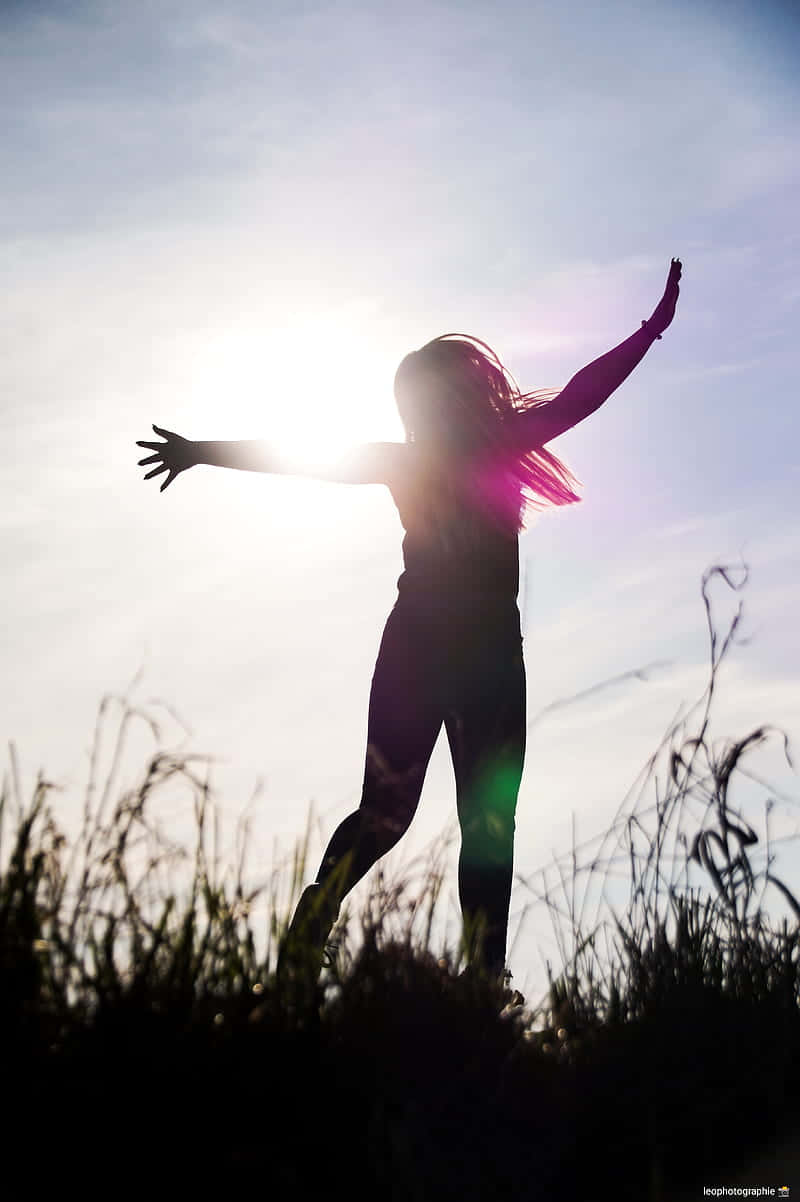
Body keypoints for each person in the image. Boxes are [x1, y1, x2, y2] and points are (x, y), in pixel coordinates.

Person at [136, 258, 682, 998]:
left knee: (449, 818)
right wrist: (202, 451)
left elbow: (584, 393)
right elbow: (301, 458)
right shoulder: (438, 456)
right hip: (449, 656)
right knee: (437, 818)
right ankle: (387, 955)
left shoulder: (460, 452)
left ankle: (471, 977)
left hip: (455, 655)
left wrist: (649, 332)